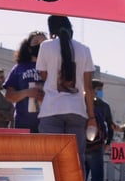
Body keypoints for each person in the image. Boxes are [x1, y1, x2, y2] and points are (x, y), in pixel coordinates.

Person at [36, 15, 96, 167]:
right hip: (77, 111)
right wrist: (92, 117)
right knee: (75, 160)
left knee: (50, 160)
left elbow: (44, 75)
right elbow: (88, 88)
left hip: (51, 109)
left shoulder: (46, 46)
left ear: (51, 30)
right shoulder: (84, 50)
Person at [4, 31, 46, 133]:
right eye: (36, 43)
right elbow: (9, 96)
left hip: (47, 125)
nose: (40, 46)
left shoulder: (53, 68)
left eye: (44, 43)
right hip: (23, 124)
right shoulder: (19, 68)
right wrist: (27, 92)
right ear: (28, 47)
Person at [85, 79, 117, 181]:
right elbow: (110, 126)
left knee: (83, 177)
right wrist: (108, 142)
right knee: (97, 178)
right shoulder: (103, 106)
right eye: (99, 89)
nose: (100, 92)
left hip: (82, 145)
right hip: (97, 145)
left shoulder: (81, 103)